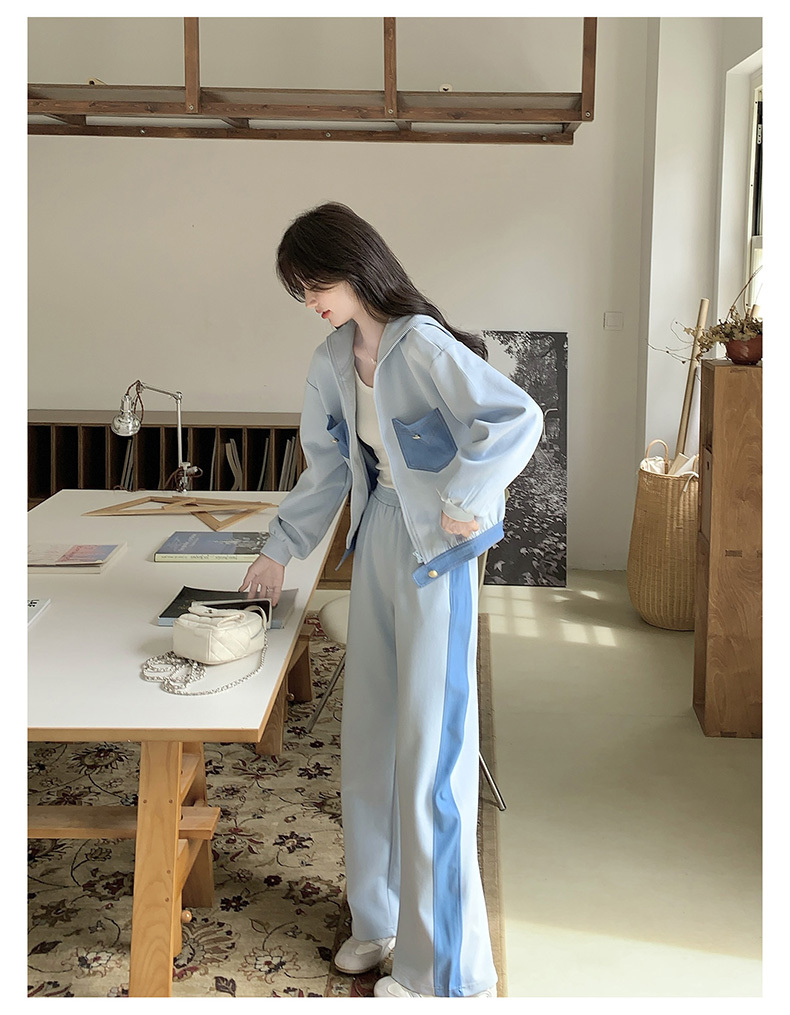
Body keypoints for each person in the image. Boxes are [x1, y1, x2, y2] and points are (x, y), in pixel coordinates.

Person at [240, 202, 543, 998]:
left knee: (431, 756)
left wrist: (468, 493)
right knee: (369, 740)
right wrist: (278, 548)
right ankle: (377, 920)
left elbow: (516, 418)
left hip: (435, 557)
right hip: (376, 539)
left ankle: (443, 971)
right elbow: (328, 469)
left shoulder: (424, 344)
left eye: (315, 284)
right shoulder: (331, 359)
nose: (310, 301)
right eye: (301, 290)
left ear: (353, 267)